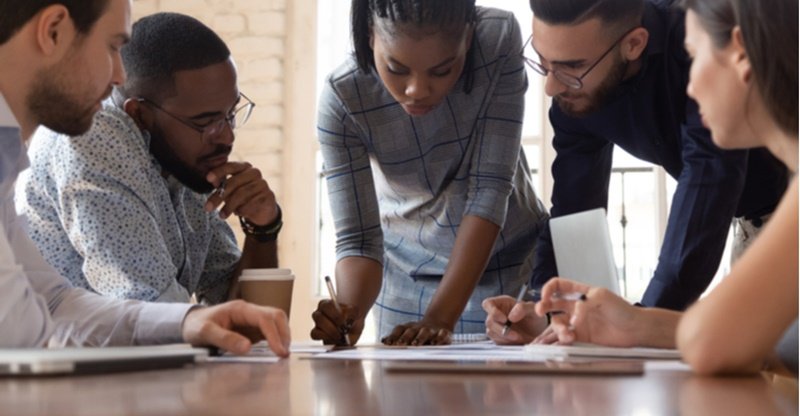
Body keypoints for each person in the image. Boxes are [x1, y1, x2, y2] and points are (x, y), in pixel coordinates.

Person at [482, 0, 788, 343]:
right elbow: (574, 210)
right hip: (756, 228)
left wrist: (639, 324)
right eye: (543, 62)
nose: (551, 87)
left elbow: (710, 176)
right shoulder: (572, 88)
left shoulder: (700, 40)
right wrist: (551, 312)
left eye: (571, 67)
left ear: (634, 44)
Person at [0, 0, 290, 356]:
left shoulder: (7, 162)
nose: (120, 76)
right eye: (112, 47)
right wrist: (185, 321)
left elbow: (52, 303)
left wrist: (187, 321)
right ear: (54, 31)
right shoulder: (97, 133)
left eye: (230, 116)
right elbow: (20, 332)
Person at [311, 0, 548, 346]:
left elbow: (489, 191)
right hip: (406, 280)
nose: (417, 90)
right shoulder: (342, 99)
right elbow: (358, 241)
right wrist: (349, 313)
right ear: (370, 36)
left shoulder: (496, 40)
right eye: (396, 69)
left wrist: (439, 318)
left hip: (509, 267)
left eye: (441, 71)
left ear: (468, 37)